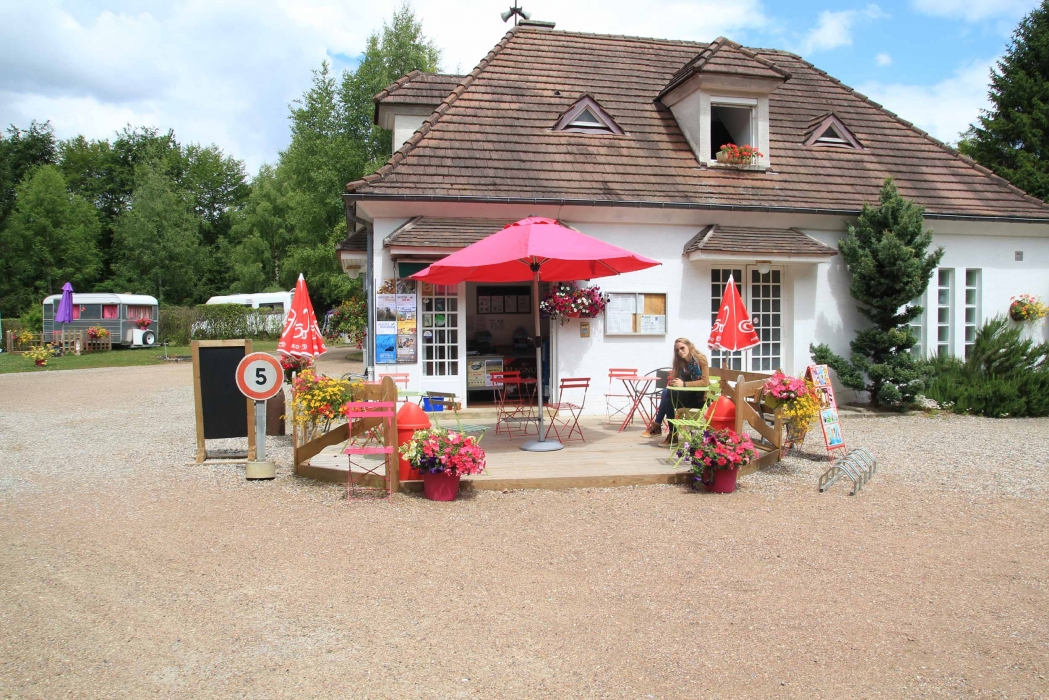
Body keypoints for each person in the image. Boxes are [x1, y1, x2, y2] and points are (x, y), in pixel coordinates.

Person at [640, 337, 710, 443]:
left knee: (667, 395)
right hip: (686, 395)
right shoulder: (680, 363)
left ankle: (667, 431)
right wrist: (675, 382)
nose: (680, 352)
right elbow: (679, 382)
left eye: (682, 348)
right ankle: (668, 432)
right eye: (677, 350)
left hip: (698, 398)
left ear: (689, 346)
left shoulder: (701, 360)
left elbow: (705, 382)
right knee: (667, 394)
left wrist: (684, 384)